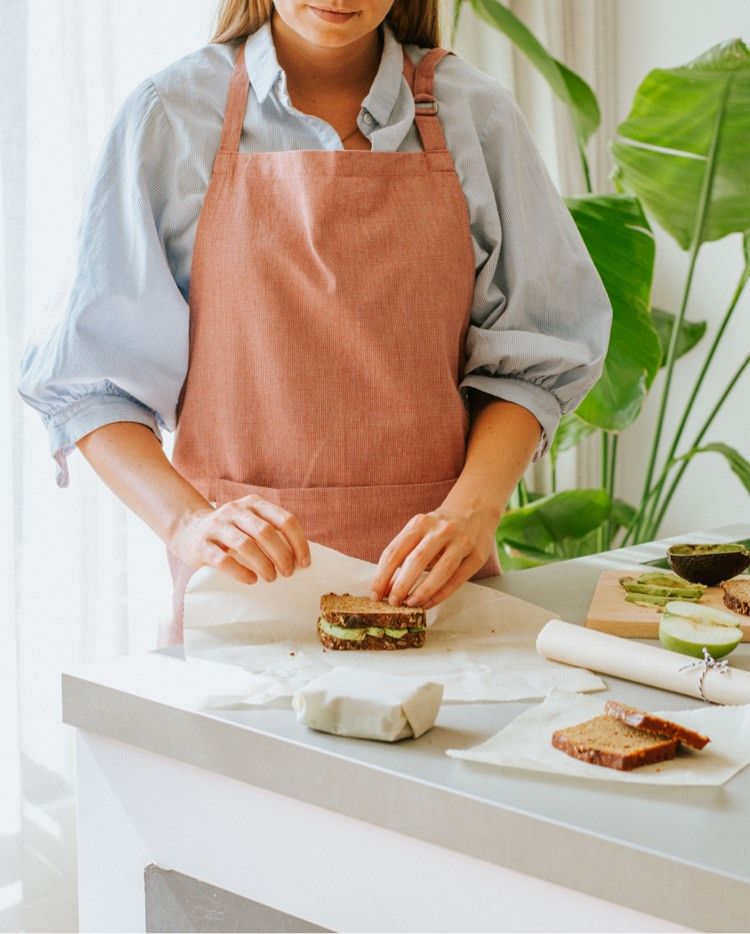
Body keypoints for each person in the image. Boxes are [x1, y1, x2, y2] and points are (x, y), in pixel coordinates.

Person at [18, 1, 612, 645]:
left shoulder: (477, 115)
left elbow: (538, 354)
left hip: (440, 596)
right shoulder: (173, 114)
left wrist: (474, 509)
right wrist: (187, 524)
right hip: (241, 604)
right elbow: (93, 384)